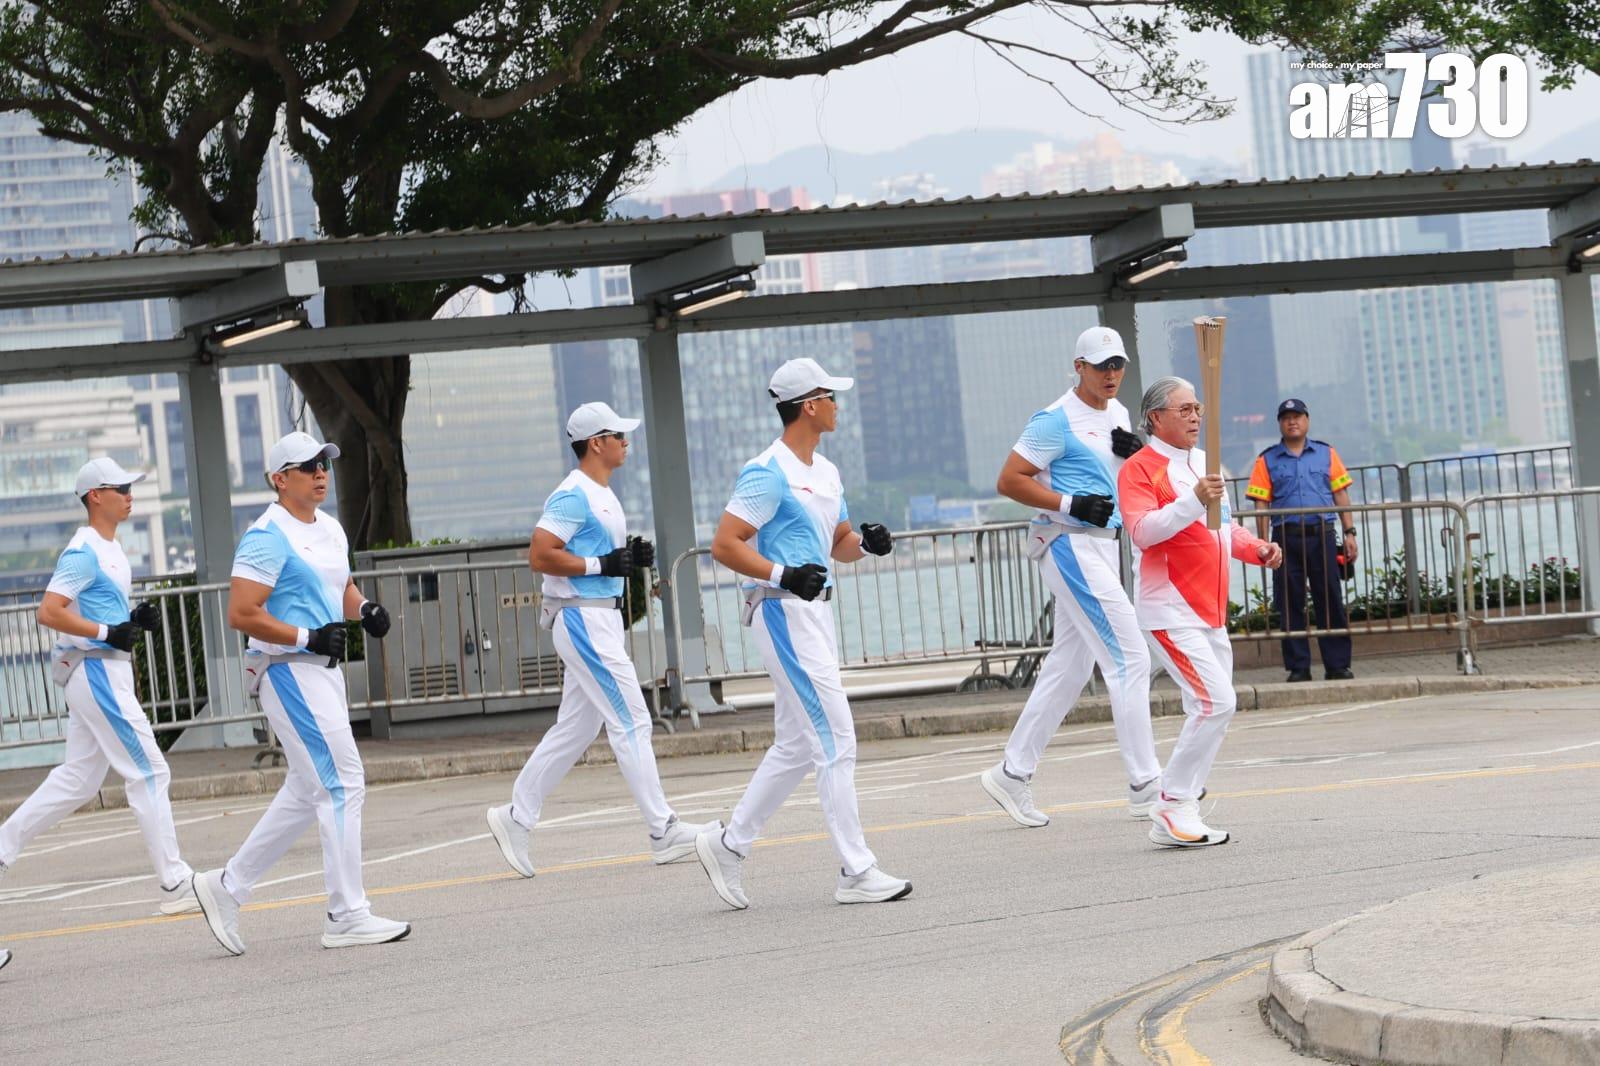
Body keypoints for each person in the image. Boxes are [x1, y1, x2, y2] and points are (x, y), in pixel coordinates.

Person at [694, 358, 911, 910]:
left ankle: (728, 845)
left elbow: (835, 540)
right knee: (836, 740)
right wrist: (781, 573)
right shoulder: (766, 471)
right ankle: (856, 871)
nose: (839, 404)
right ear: (809, 405)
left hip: (814, 614)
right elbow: (726, 544)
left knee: (796, 745)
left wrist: (866, 544)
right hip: (781, 613)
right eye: (832, 396)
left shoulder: (827, 472)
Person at [191, 432, 406, 955]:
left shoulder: (329, 529)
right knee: (343, 782)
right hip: (287, 670)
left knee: (309, 789)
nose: (320, 473)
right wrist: (308, 636)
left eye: (324, 463)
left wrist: (364, 609)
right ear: (278, 479)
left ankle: (226, 887)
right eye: (307, 466)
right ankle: (346, 914)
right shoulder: (266, 536)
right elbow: (242, 612)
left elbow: (341, 587)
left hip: (321, 672)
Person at [486, 402, 714, 878]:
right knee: (632, 720)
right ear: (596, 443)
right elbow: (540, 554)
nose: (626, 441)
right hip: (583, 619)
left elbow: (598, 554)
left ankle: (516, 816)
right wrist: (602, 566)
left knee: (577, 729)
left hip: (598, 619)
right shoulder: (573, 495)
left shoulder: (602, 494)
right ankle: (662, 830)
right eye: (618, 435)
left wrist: (628, 557)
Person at [978, 325, 1165, 828]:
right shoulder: (1053, 420)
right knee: (1130, 657)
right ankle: (1146, 785)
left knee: (1071, 667)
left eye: (1117, 365)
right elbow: (1008, 479)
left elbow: (1119, 476)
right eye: (1101, 365)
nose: (1111, 374)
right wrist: (1068, 501)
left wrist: (1135, 454)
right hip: (1068, 544)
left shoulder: (1120, 414)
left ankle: (1011, 774)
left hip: (1105, 547)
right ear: (1078, 367)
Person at [0, 457, 197, 916]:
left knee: (79, 779)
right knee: (149, 771)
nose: (130, 494)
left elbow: (95, 612)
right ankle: (174, 882)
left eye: (131, 486)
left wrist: (130, 621)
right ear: (95, 496)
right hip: (97, 673)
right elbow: (49, 612)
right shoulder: (84, 549)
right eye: (121, 487)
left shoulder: (110, 547)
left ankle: (3, 844)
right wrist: (109, 633)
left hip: (100, 671)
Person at [1120, 376, 1282, 846]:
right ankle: (1172, 806)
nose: (1195, 417)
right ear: (1156, 418)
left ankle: (1179, 808)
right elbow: (1143, 532)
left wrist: (1258, 550)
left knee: (1210, 707)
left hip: (1210, 609)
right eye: (1184, 409)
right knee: (1217, 702)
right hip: (1168, 606)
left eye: (1198, 408)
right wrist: (1193, 500)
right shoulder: (1139, 469)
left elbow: (1223, 530)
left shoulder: (1206, 466)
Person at [1246, 399, 1358, 682]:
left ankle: (1338, 665)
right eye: (1286, 418)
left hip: (1322, 534)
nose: (1292, 422)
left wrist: (1350, 532)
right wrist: (1262, 544)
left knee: (1330, 599)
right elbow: (1261, 503)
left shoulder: (1326, 453)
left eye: (1297, 416)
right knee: (1289, 602)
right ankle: (1299, 667)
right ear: (1280, 424)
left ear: (1307, 420)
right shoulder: (1266, 460)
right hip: (1285, 538)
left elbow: (1341, 494)